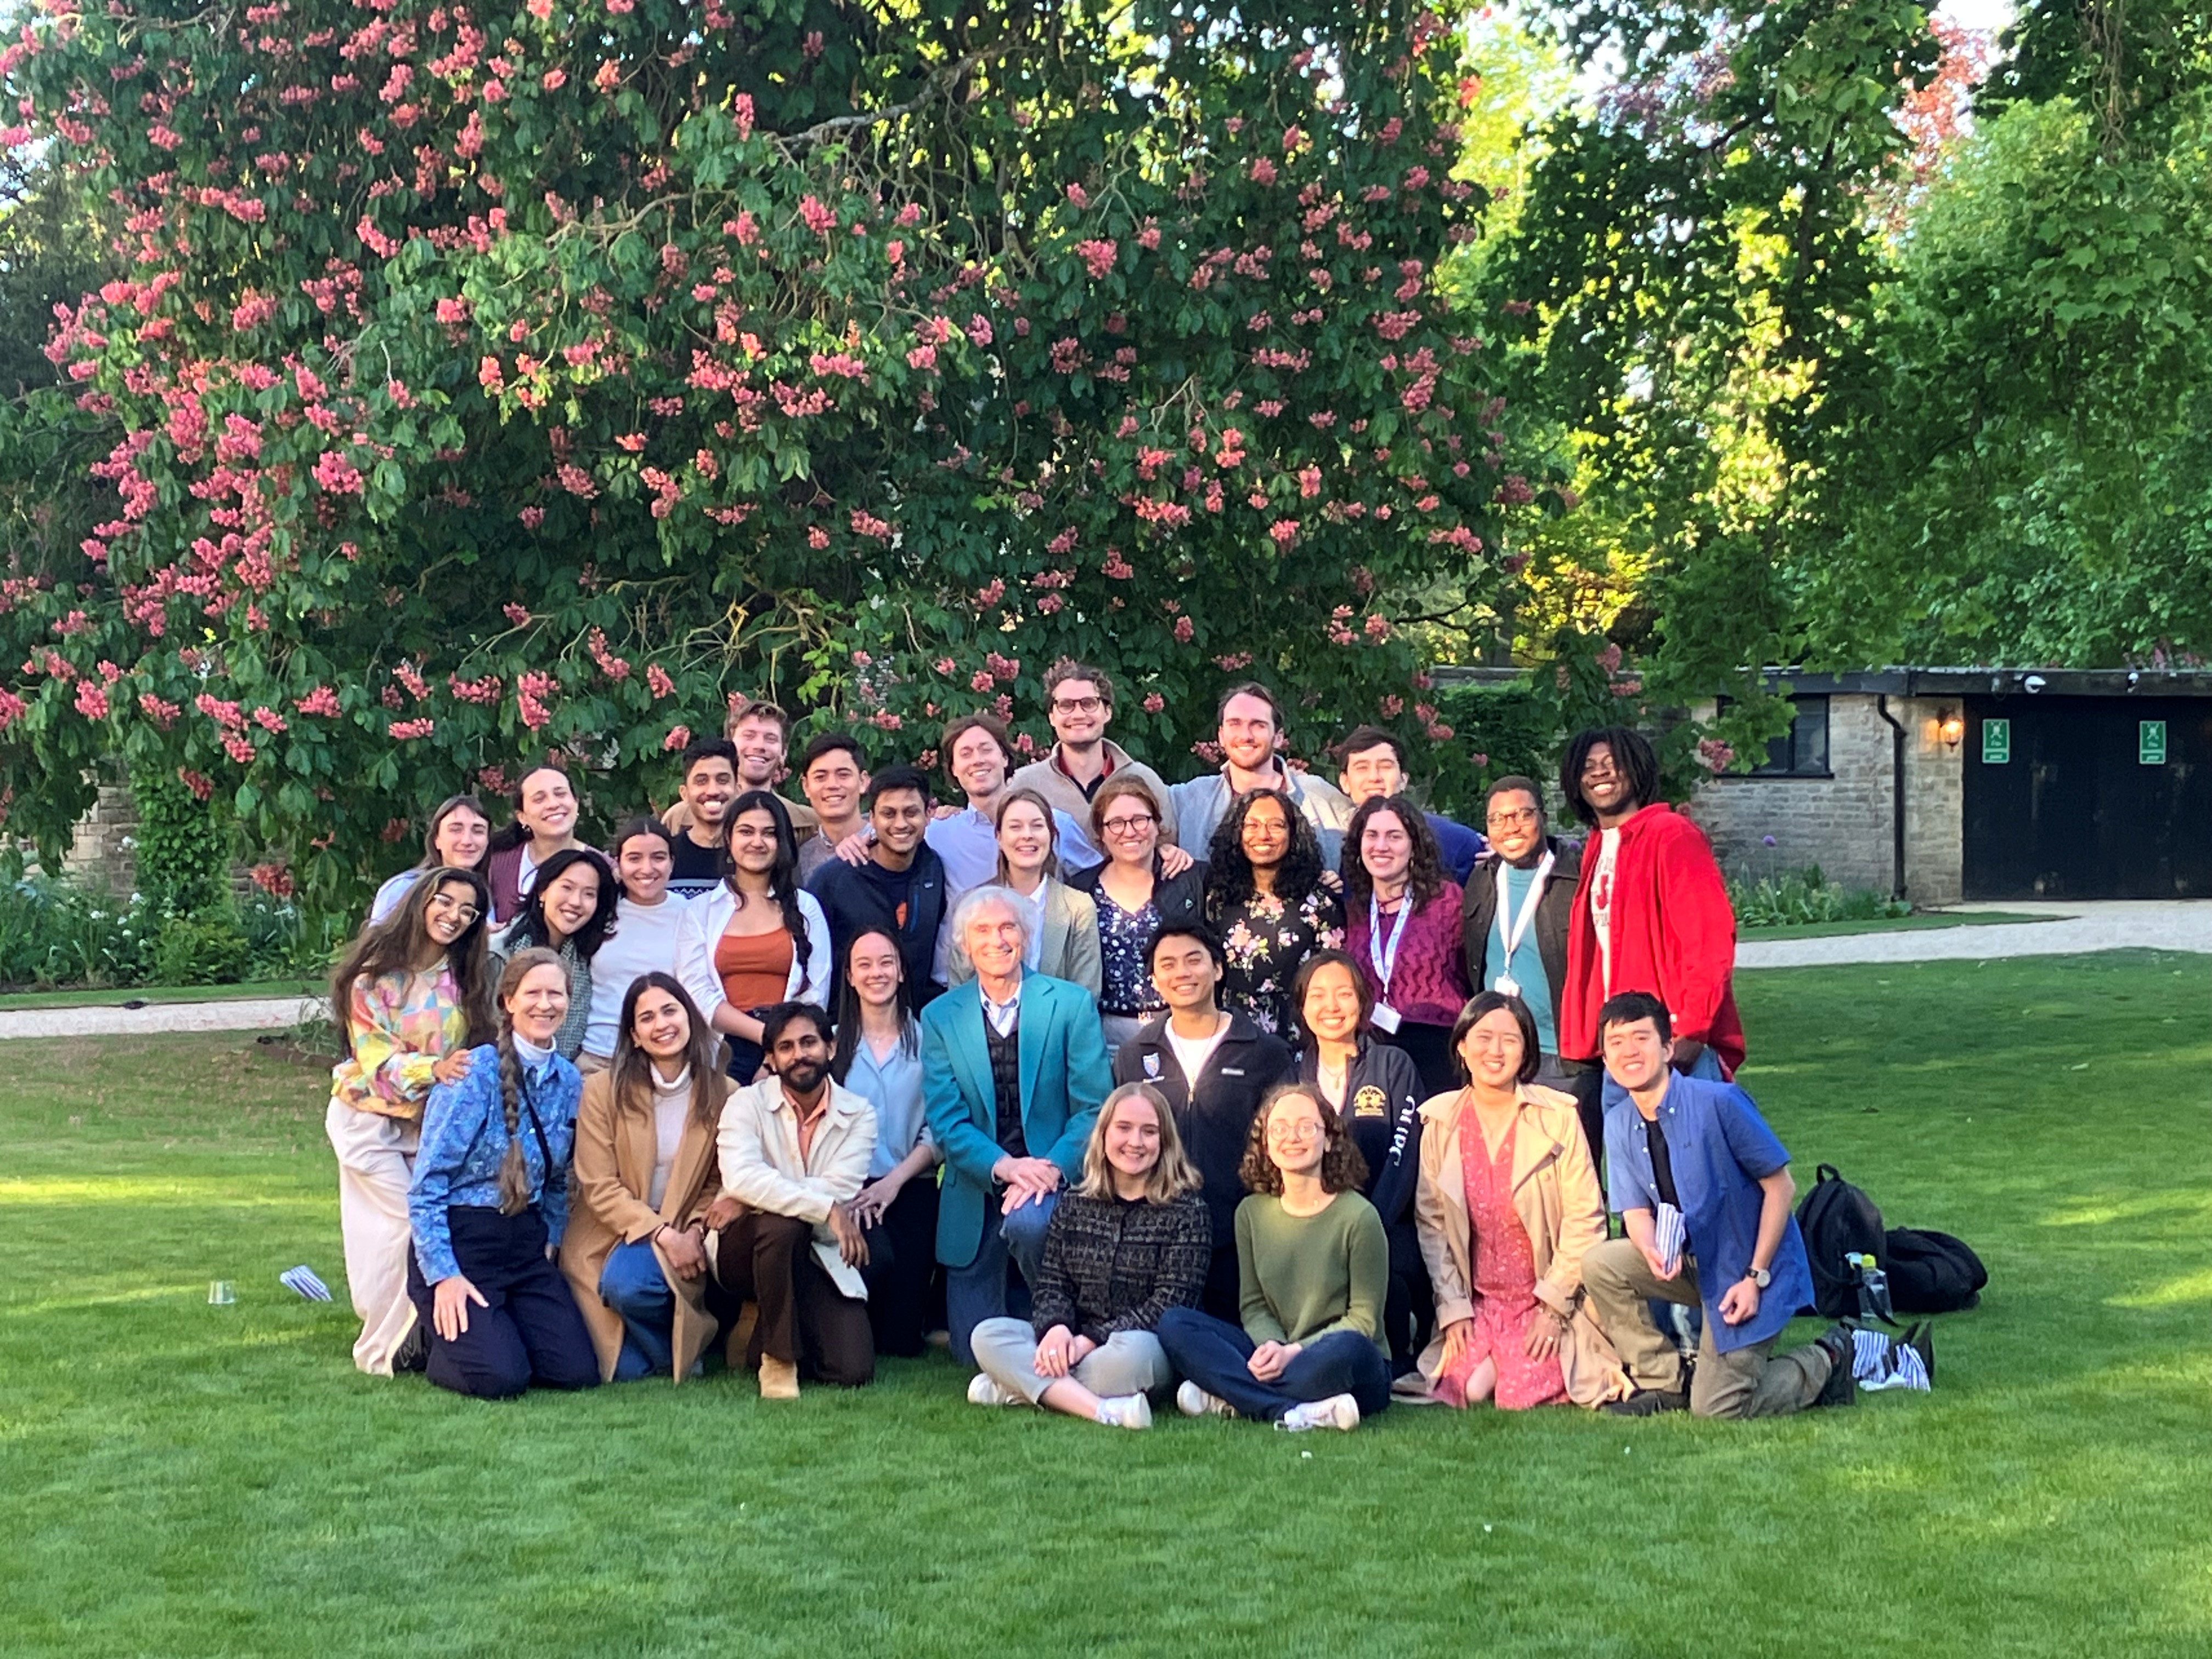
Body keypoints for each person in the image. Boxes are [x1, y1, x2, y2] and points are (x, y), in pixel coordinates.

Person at [1582, 991, 1854, 1418]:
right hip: (1694, 1265)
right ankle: (1664, 1381)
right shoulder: (1619, 1122)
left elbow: (1781, 1187)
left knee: (1717, 1409)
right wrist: (1652, 1251)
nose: (1629, 1051)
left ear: (1669, 1048)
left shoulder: (1720, 1104)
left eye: (1641, 1038)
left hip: (1749, 1272)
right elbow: (1634, 1212)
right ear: (1605, 1056)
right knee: (1602, 1264)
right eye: (1616, 1042)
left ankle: (1828, 1359)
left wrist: (1755, 1276)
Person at [921, 885, 1111, 1364]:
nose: (997, 940)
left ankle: (1055, 1315)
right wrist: (1006, 1167)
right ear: (964, 944)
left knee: (1029, 1223)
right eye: (982, 931)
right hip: (978, 1192)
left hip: (1050, 1188)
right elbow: (947, 1120)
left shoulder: (1070, 1005)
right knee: (972, 1355)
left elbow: (1094, 1107)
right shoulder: (940, 1016)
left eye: (1008, 927)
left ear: (1026, 937)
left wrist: (1050, 1168)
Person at [1410, 992, 1628, 1409]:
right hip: (1479, 1302)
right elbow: (1432, 1224)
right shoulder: (1439, 1122)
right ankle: (1489, 1352)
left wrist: (1554, 1304)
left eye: (1509, 1040)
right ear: (1461, 1045)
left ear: (1526, 1048)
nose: (1495, 1051)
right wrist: (1453, 1307)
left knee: (1514, 1394)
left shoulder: (1558, 1117)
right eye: (1483, 1038)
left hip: (1545, 1295)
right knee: (1467, 1390)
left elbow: (1587, 1219)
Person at [405, 948, 601, 1399]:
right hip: (464, 1243)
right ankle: (430, 1341)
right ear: (509, 1001)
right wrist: (443, 1274)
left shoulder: (569, 1082)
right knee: (502, 1379)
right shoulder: (473, 1074)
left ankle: (497, 1326)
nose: (545, 1004)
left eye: (556, 993)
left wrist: (551, 1240)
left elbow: (555, 1181)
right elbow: (427, 1186)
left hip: (524, 1247)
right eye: (533, 993)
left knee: (574, 1372)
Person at [325, 868, 497, 1374]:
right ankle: (381, 1347)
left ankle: (422, 1338)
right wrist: (435, 1069)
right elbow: (376, 1061)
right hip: (368, 1121)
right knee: (403, 1225)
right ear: (422, 901)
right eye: (446, 903)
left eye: (468, 911)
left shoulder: (464, 977)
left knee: (423, 1225)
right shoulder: (374, 978)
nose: (455, 916)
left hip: (427, 1124)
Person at [967, 1082, 1212, 1429]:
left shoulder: (1188, 1212)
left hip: (1140, 1345)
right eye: (1123, 1128)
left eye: (1149, 1132)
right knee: (987, 1335)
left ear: (1165, 1141)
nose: (1135, 1142)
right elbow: (1053, 1283)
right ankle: (1103, 1408)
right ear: (1104, 1134)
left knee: (1133, 1357)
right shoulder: (1076, 1202)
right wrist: (1055, 1329)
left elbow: (1170, 1305)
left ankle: (1017, 1388)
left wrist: (1090, 1339)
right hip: (1073, 1342)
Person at [1156, 1084, 1392, 1430]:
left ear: (1328, 1139)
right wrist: (1272, 1346)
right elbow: (1253, 1306)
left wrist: (1293, 1353)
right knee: (1176, 1323)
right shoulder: (1250, 1213)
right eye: (1279, 1128)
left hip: (1340, 1360)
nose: (1292, 1137)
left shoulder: (1360, 1217)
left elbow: (1364, 1321)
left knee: (1349, 1347)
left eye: (1306, 1127)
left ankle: (1230, 1397)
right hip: (1278, 1351)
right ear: (1265, 1143)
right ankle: (1293, 1410)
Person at [1110, 922, 1295, 1319]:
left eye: (1194, 961)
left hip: (1241, 1232)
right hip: (1157, 1229)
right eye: (1168, 965)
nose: (1182, 973)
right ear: (1155, 980)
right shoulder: (1133, 1054)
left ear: (1217, 969)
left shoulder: (1266, 1053)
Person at [560, 973, 733, 1381]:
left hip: (684, 1225)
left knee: (627, 1285)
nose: (662, 1025)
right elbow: (599, 1185)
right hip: (610, 1228)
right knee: (624, 1368)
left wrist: (691, 1230)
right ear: (635, 1036)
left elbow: (718, 1180)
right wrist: (661, 1235)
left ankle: (685, 1340)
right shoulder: (603, 1090)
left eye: (670, 1011)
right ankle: (677, 1351)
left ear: (690, 1018)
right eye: (647, 1018)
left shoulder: (724, 1092)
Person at [1557, 726, 1744, 1091]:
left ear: (1636, 769)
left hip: (1668, 1043)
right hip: (1619, 1045)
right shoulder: (1598, 846)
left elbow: (1709, 939)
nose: (1599, 772)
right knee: (1627, 1149)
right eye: (1589, 766)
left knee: (1684, 1148)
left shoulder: (1671, 834)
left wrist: (1691, 1028)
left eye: (1612, 763)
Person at [713, 1002, 879, 1397]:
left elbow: (842, 1187)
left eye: (809, 1042)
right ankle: (779, 1358)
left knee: (852, 1370)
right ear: (770, 1059)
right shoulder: (745, 1103)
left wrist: (751, 1196)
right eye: (785, 1047)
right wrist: (825, 1209)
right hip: (742, 1248)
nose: (799, 1055)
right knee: (780, 1226)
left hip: (817, 1249)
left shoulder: (859, 1114)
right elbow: (739, 1175)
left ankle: (762, 1327)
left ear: (831, 1047)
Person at [1290, 949, 1428, 1377]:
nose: (1331, 1006)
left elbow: (1406, 1154)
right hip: (1312, 1226)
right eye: (1318, 995)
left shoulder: (1393, 1064)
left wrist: (1370, 1225)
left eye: (1344, 994)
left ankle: (1398, 1354)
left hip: (1387, 1222)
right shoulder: (1290, 1072)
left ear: (1363, 1001)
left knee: (1396, 1272)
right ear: (1302, 1007)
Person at [832, 929, 941, 1359]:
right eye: (865, 964)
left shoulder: (931, 1042)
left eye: (885, 962)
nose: (876, 972)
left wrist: (893, 1183)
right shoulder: (830, 1044)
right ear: (850, 976)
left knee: (899, 1342)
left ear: (900, 972)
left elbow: (941, 1129)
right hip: (849, 1193)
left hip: (911, 1186)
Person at [675, 790, 831, 1082]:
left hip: (794, 1054)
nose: (757, 842)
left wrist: (781, 1052)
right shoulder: (700, 911)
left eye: (769, 833)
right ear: (728, 840)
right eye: (746, 832)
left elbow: (817, 993)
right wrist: (768, 1038)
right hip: (724, 1051)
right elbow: (696, 991)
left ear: (781, 842)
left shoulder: (805, 907)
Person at [1462, 776, 1588, 1116]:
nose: (1510, 827)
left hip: (1560, 1056)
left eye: (1522, 815)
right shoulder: (1480, 880)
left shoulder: (1576, 880)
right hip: (1496, 1055)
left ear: (1542, 817)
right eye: (1497, 819)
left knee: (1568, 1163)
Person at [1065, 775, 1209, 1052]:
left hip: (1179, 1028)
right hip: (1105, 1035)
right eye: (1116, 823)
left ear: (1157, 826)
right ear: (1101, 833)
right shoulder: (1081, 890)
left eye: (1140, 820)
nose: (1129, 832)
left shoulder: (1191, 881)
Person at [1340, 793, 1470, 1096]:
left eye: (1394, 836)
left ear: (1414, 846)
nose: (1381, 846)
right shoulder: (1353, 910)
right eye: (1371, 836)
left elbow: (1472, 971)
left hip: (1439, 1050)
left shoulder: (1448, 901)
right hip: (1372, 1049)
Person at [1204, 788, 1345, 1038]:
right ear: (1237, 833)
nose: (1263, 835)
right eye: (1252, 825)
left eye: (1276, 825)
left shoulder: (1320, 902)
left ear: (1293, 833)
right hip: (1233, 1035)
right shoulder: (1218, 898)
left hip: (1299, 1035)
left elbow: (1333, 975)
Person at [806, 764, 948, 1005]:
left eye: (911, 812)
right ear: (872, 818)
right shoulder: (833, 880)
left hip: (917, 1027)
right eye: (889, 814)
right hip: (848, 1027)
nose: (901, 824)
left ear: (928, 815)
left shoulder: (934, 868)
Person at [943, 787, 1103, 999]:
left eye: (1037, 826)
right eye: (1015, 827)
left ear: (1051, 835)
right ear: (999, 837)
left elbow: (1086, 994)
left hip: (1059, 1029)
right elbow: (960, 993)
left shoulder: (1078, 908)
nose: (1027, 835)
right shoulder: (971, 905)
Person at [1171, 681, 1354, 866]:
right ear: (1221, 735)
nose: (1246, 735)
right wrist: (1163, 847)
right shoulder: (1190, 798)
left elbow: (1375, 832)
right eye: (1235, 724)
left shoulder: (1319, 796)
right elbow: (1143, 804)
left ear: (1278, 737)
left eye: (1258, 725)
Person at [1009, 658, 1182, 848]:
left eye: (1089, 703)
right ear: (1052, 716)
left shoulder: (1144, 780)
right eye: (1066, 705)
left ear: (1107, 712)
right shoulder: (1025, 786)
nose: (1078, 714)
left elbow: (1166, 849)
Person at [927, 712, 1099, 898]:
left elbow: (1099, 881)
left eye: (986, 749)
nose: (978, 760)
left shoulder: (1054, 823)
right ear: (954, 769)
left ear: (1005, 758)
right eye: (966, 754)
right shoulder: (936, 834)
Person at [579, 817, 691, 1075]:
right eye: (634, 858)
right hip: (599, 1058)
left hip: (667, 1059)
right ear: (618, 865)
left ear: (672, 863)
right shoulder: (598, 911)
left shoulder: (692, 914)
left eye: (658, 858)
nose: (647, 868)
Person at [488, 847, 616, 1059]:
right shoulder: (499, 953)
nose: (576, 902)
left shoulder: (589, 958)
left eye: (589, 894)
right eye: (567, 887)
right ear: (543, 891)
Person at [1334, 726, 1485, 884]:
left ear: (1404, 780)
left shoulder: (1454, 841)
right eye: (1362, 768)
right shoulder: (1335, 843)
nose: (1374, 777)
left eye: (1385, 766)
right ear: (1345, 782)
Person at [665, 697, 821, 841]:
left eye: (770, 738)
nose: (759, 746)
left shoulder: (807, 823)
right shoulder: (679, 818)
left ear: (783, 753)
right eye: (749, 736)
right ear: (730, 744)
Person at [486, 764, 604, 923]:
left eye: (560, 794)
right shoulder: (497, 865)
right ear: (522, 816)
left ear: (576, 802)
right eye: (539, 799)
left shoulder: (605, 868)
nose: (553, 804)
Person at [368, 794, 493, 924]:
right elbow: (378, 942)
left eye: (478, 831)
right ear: (436, 840)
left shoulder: (484, 897)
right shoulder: (403, 888)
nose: (467, 840)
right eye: (456, 830)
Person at [664, 736, 740, 901]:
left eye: (722, 780)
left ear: (738, 790)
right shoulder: (666, 857)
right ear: (684, 793)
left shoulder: (752, 855)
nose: (712, 790)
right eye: (701, 781)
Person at [792, 731, 870, 882]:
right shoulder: (799, 860)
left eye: (843, 775)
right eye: (820, 777)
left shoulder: (886, 843)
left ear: (863, 782)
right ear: (806, 786)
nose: (832, 785)